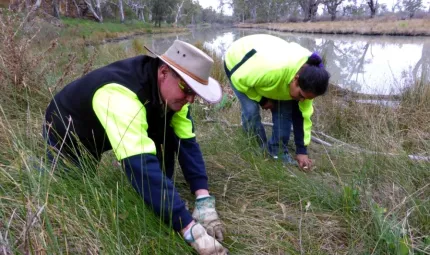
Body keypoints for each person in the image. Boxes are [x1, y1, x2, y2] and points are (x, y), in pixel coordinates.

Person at [43, 40, 228, 255]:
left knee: (166, 141)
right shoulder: (121, 94)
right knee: (74, 190)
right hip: (69, 128)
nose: (190, 99)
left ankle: (165, 205)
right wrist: (189, 229)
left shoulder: (175, 99)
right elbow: (140, 166)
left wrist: (203, 198)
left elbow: (187, 145)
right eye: (187, 89)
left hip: (113, 122)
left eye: (195, 93)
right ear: (164, 72)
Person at [224, 34, 330, 170]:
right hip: (238, 62)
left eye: (306, 98)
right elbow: (239, 79)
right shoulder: (272, 71)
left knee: (285, 111)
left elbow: (301, 117)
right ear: (295, 79)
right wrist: (262, 100)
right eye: (301, 95)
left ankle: (276, 151)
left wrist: (301, 151)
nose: (301, 100)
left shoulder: (307, 82)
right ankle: (259, 148)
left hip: (268, 54)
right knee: (251, 110)